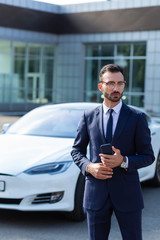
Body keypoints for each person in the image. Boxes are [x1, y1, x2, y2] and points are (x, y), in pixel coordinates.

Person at [71, 64, 155, 240]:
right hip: (96, 193)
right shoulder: (88, 116)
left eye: (120, 83)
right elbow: (76, 151)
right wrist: (89, 167)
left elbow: (148, 156)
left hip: (128, 194)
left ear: (124, 85)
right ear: (101, 86)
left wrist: (123, 161)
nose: (116, 88)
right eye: (110, 83)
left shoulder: (137, 118)